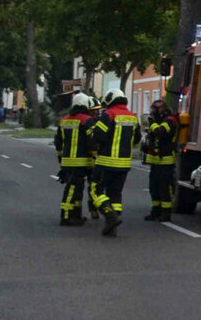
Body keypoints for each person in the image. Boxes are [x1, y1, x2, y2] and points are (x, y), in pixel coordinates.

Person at [88, 89, 140, 236]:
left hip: (106, 161)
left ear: (111, 100)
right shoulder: (133, 117)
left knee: (95, 190)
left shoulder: (109, 114)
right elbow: (137, 139)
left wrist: (101, 143)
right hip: (124, 164)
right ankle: (113, 226)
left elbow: (98, 134)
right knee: (115, 194)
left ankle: (109, 215)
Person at [55, 93, 96, 226]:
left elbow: (58, 141)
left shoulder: (64, 120)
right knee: (72, 189)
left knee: (77, 189)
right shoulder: (87, 120)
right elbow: (92, 142)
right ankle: (66, 216)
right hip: (81, 161)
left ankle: (76, 215)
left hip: (67, 160)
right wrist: (94, 158)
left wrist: (61, 158)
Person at [142, 98, 179, 222]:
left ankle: (166, 213)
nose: (154, 112)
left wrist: (152, 124)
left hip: (166, 161)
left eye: (156, 109)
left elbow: (160, 132)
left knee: (165, 188)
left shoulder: (170, 120)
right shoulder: (158, 121)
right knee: (154, 187)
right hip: (156, 161)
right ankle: (155, 211)